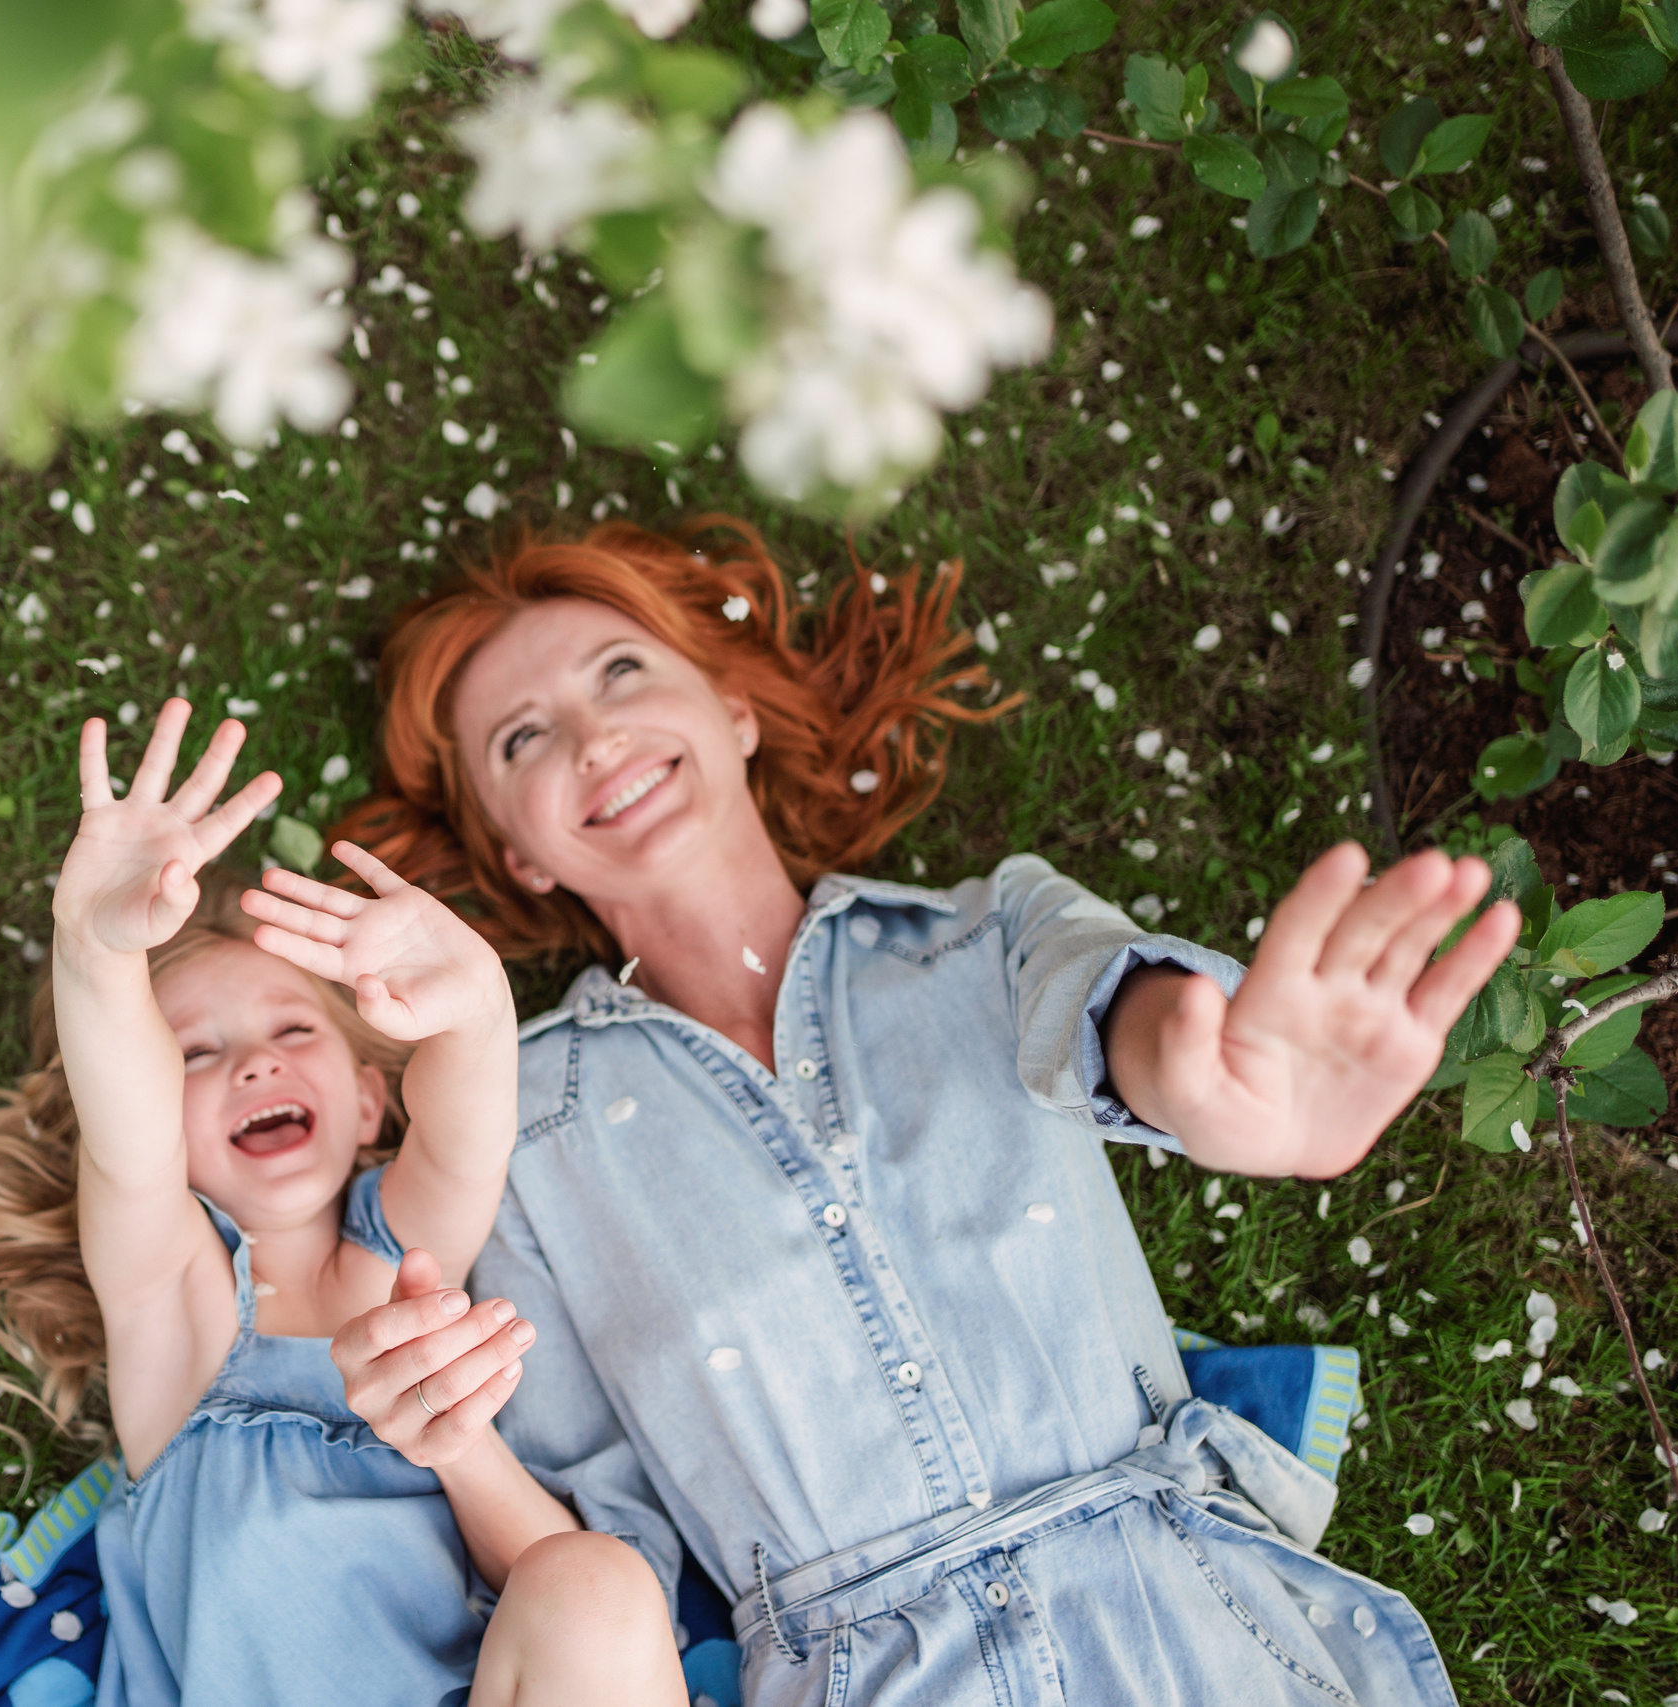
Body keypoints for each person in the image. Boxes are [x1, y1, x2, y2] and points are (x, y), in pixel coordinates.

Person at [325, 519, 1519, 1706]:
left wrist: (1217, 1090)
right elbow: (598, 1569)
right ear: (516, 856)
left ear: (733, 712)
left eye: (622, 671)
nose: (594, 739)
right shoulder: (517, 1129)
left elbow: (1125, 1016)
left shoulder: (988, 934)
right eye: (523, 739)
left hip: (1179, 1615)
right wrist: (452, 1436)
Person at [0, 699, 690, 1707]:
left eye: (293, 1029)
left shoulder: (399, 1260)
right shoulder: (176, 1304)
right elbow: (127, 1142)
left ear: (370, 1096)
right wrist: (94, 948)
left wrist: (475, 1010)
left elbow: (465, 1138)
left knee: (594, 1585)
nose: (255, 1063)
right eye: (195, 1053)